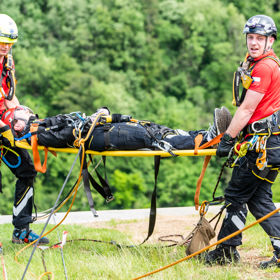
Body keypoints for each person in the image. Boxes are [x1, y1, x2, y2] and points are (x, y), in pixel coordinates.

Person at [205, 15, 280, 268]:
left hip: (263, 146)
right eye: (251, 38)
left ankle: (226, 251)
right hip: (268, 143)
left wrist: (227, 139)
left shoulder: (265, 67)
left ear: (270, 41)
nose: (254, 43)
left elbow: (247, 109)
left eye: (260, 38)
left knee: (236, 195)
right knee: (260, 200)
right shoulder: (254, 62)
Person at [0, 14, 49, 244]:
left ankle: (21, 232)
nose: (5, 47)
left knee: (27, 170)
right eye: (1, 42)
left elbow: (9, 98)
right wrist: (4, 130)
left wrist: (22, 117)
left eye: (9, 43)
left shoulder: (7, 61)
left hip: (2, 125)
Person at [1, 106, 232, 153]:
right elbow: (70, 134)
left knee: (152, 128)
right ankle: (208, 138)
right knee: (152, 137)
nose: (29, 111)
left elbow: (73, 125)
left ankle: (206, 134)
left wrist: (96, 115)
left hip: (102, 130)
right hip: (101, 136)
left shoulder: (41, 126)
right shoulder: (38, 133)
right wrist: (93, 120)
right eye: (24, 112)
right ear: (17, 123)